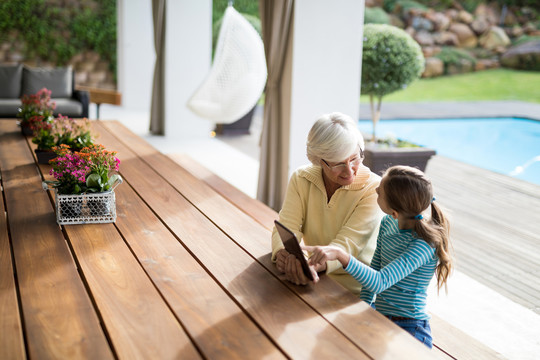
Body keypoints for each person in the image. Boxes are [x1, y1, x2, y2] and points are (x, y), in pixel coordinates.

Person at [304, 165, 453, 348]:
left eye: (380, 192)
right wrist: (363, 309)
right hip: (380, 317)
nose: (376, 190)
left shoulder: (423, 244)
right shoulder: (388, 223)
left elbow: (380, 281)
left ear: (395, 211)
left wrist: (341, 255)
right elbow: (375, 268)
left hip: (409, 328)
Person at [271, 112, 383, 295]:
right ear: (318, 160)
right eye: (338, 163)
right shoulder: (301, 178)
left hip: (356, 290)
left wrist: (307, 267)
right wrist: (284, 255)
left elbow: (347, 246)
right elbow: (286, 226)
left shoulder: (374, 189)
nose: (349, 171)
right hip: (314, 278)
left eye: (354, 158)